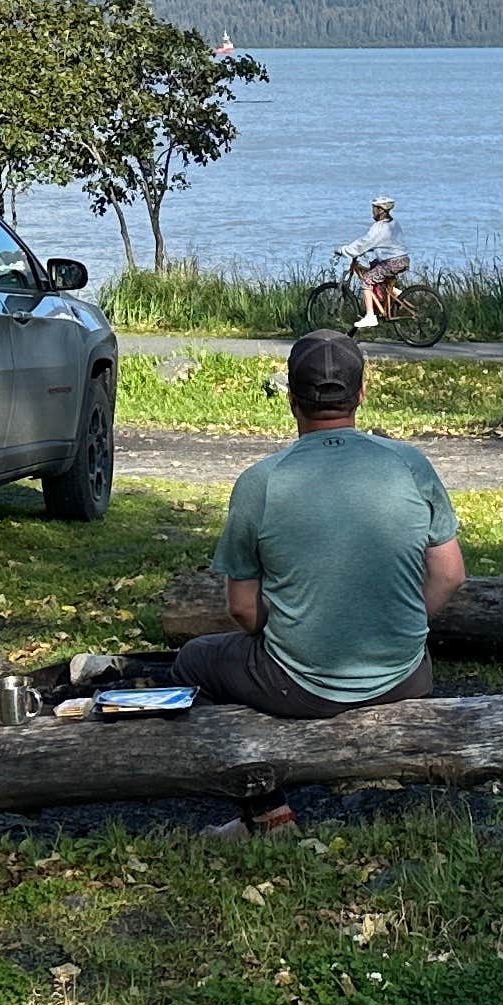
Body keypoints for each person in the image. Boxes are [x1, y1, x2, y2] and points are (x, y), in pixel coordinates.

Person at [174, 331, 456, 755]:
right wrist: (400, 622)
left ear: (290, 396)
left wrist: (290, 636)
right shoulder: (410, 464)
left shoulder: (261, 482)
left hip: (301, 688)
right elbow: (450, 574)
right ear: (361, 393)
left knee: (194, 660)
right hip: (407, 677)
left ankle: (262, 799)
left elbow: (241, 607)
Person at [336, 196, 409, 330]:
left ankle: (370, 316)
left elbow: (364, 243)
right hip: (402, 259)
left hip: (391, 262)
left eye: (374, 209)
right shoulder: (394, 223)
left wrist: (345, 250)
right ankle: (396, 294)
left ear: (380, 210)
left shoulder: (378, 228)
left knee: (367, 280)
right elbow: (388, 243)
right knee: (374, 266)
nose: (372, 212)